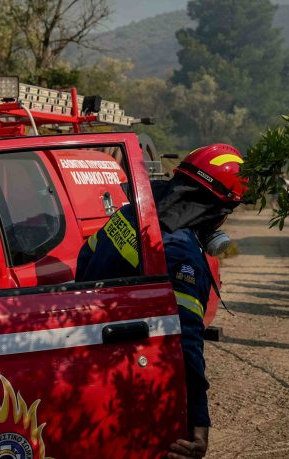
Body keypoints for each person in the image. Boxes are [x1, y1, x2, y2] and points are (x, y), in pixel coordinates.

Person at [76, 144, 246, 459]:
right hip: (134, 373)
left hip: (88, 354)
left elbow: (86, 255)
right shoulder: (182, 254)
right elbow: (187, 343)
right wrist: (198, 423)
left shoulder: (133, 212)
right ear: (217, 211)